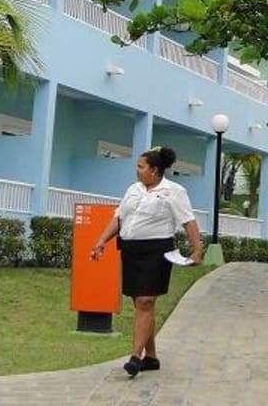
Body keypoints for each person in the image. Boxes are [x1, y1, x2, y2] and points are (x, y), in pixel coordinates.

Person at [90, 146, 204, 378]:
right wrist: (101, 241)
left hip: (157, 250)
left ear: (155, 170)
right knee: (141, 304)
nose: (137, 170)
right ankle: (151, 357)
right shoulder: (133, 189)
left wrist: (197, 249)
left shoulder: (174, 191)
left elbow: (188, 221)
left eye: (141, 167)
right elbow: (119, 218)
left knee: (145, 301)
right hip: (132, 250)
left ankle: (135, 357)